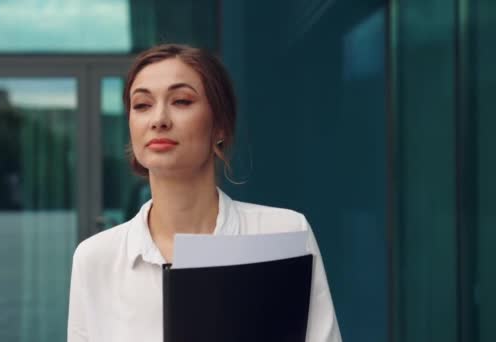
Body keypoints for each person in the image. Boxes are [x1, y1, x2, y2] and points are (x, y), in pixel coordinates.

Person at [67, 44, 342, 342]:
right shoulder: (95, 259)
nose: (158, 119)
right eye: (142, 105)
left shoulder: (284, 233)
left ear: (220, 125)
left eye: (182, 101)